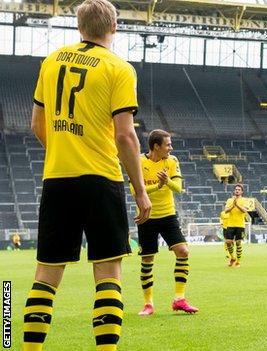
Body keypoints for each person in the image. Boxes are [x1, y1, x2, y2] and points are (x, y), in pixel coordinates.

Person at [23, 0, 152, 349]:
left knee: (47, 274)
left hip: (58, 179)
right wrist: (140, 190)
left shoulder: (51, 62)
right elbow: (125, 135)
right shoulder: (119, 68)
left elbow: (37, 123)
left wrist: (66, 151)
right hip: (100, 179)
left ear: (79, 27)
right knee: (108, 274)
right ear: (115, 27)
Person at [132, 129, 199, 316]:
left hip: (168, 215)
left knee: (183, 251)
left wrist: (167, 181)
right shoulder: (139, 161)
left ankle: (179, 299)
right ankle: (148, 304)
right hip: (147, 216)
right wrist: (158, 186)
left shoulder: (172, 161)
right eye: (168, 144)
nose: (171, 147)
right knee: (147, 260)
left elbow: (178, 188)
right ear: (156, 146)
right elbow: (134, 189)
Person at [223, 184, 251, 268]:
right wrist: (233, 205)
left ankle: (238, 262)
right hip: (230, 224)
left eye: (239, 189)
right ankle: (232, 258)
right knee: (228, 242)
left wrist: (237, 205)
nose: (237, 191)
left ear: (242, 191)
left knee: (238, 243)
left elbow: (244, 210)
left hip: (240, 225)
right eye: (236, 189)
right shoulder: (229, 200)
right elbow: (226, 211)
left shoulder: (244, 200)